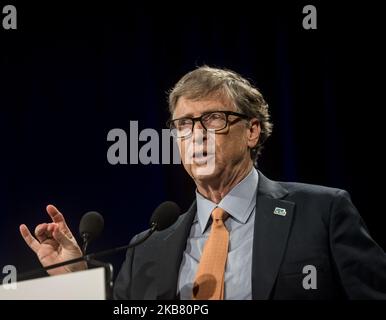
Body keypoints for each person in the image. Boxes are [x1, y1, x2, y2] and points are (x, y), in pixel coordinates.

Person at [20, 66, 386, 299]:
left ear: (252, 131)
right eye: (183, 125)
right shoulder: (147, 248)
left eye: (212, 119)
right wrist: (77, 278)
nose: (196, 135)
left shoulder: (322, 212)